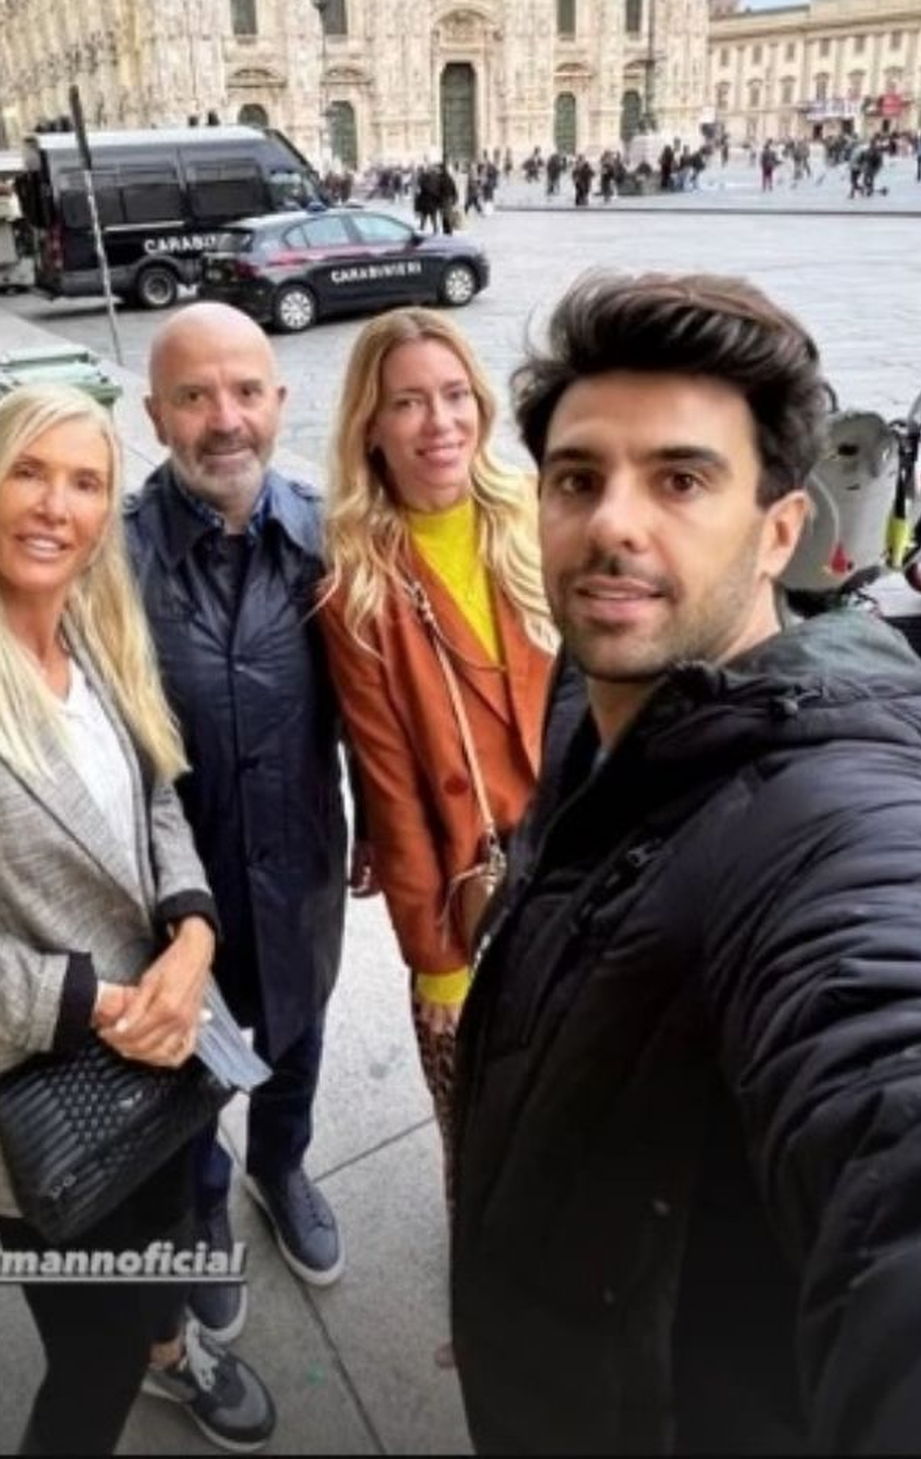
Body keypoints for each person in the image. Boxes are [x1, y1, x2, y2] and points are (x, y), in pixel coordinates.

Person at [0, 304, 348, 1350]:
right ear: (155, 415)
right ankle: (198, 1225)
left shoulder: (328, 537)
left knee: (301, 1045)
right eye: (192, 396)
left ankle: (285, 1166)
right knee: (177, 1112)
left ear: (280, 402)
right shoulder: (112, 564)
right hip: (156, 925)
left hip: (299, 879)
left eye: (245, 391)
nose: (223, 418)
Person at [451, 270, 921, 1455]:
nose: (614, 520)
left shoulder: (829, 816)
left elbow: (882, 1071)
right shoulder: (597, 681)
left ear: (780, 530)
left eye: (680, 478)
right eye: (578, 478)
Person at [317, 307, 557, 1197]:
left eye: (455, 394)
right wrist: (435, 958)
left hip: (583, 866)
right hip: (476, 885)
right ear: (370, 429)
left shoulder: (536, 510)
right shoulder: (359, 580)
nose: (440, 422)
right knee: (481, 1128)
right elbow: (391, 789)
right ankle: (491, 1296)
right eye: (409, 403)